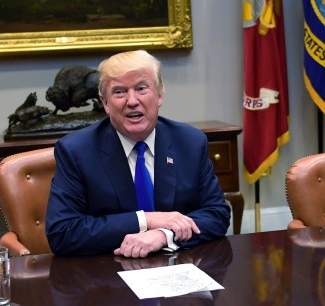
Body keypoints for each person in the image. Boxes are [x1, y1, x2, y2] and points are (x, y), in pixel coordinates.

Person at [45, 50, 231, 257]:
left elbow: (216, 214)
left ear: (159, 95)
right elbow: (62, 232)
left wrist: (163, 234)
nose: (132, 101)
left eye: (141, 88)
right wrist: (147, 220)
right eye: (119, 92)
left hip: (179, 269)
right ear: (105, 103)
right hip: (107, 275)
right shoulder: (77, 150)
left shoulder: (189, 142)